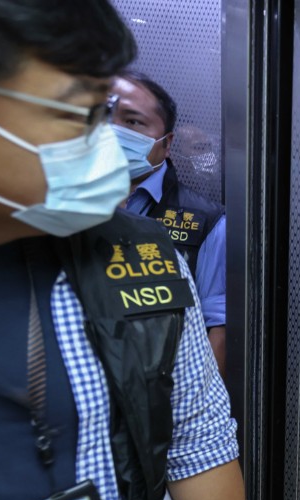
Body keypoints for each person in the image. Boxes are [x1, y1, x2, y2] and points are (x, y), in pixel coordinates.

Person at [0, 2, 254, 500]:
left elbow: (197, 424)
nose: (103, 142)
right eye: (74, 113)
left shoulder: (140, 256)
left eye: (110, 115)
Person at [110, 71, 228, 375]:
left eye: (133, 122)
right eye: (102, 117)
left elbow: (217, 326)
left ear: (166, 143)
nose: (112, 131)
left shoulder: (207, 220)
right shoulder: (59, 202)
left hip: (162, 385)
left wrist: (197, 411)